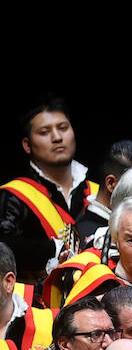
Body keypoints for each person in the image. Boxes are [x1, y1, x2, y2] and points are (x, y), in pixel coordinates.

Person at [0, 97, 93, 276]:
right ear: (27, 145)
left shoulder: (97, 191)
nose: (57, 137)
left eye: (63, 128)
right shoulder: (13, 195)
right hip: (36, 302)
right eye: (44, 132)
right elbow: (4, 249)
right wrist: (55, 249)